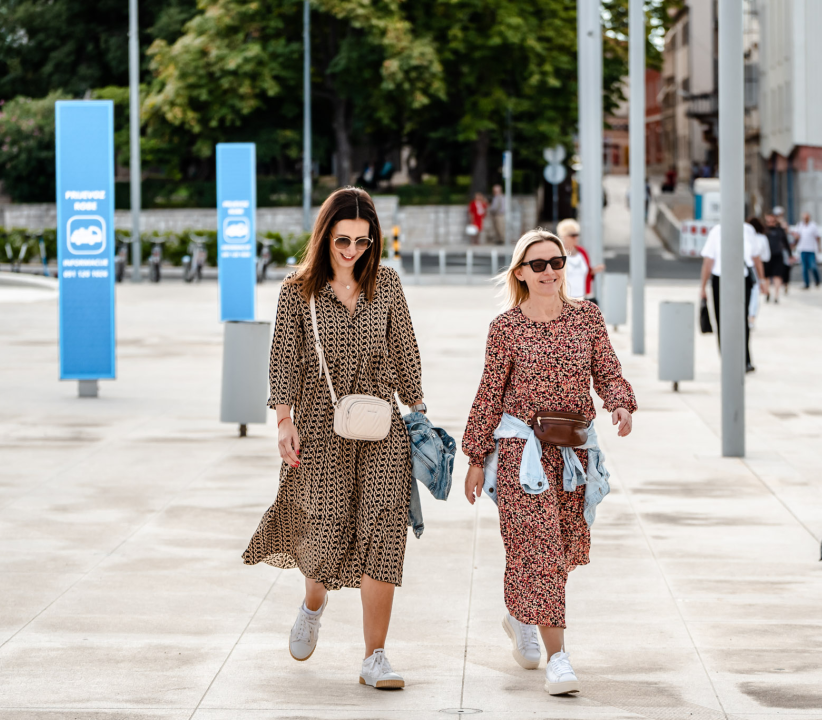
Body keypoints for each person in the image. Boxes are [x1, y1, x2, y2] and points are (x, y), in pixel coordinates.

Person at [242, 187, 426, 690]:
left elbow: (406, 350)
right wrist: (284, 421)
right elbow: (282, 360)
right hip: (320, 428)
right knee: (323, 532)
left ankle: (375, 658)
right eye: (342, 240)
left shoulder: (386, 285)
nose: (351, 251)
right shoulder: (296, 290)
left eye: (362, 243)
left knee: (383, 536)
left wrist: (421, 417)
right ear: (324, 236)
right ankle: (313, 603)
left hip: (382, 426)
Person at [462, 229, 637, 696]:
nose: (548, 271)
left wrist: (619, 403)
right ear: (520, 272)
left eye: (555, 261)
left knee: (557, 554)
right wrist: (477, 457)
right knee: (537, 549)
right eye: (537, 264)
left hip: (575, 453)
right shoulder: (506, 327)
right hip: (524, 455)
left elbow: (608, 370)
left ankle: (521, 615)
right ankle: (560, 658)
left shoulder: (587, 317)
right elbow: (489, 394)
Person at [699, 220, 767, 373]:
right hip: (720, 278)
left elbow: (756, 257)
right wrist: (703, 287)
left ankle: (745, 359)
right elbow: (709, 261)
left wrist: (762, 279)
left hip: (741, 278)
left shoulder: (747, 230)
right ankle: (728, 359)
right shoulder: (717, 230)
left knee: (742, 320)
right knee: (722, 320)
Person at [557, 218, 604, 302]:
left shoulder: (582, 252)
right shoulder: (558, 254)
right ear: (563, 236)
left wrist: (593, 270)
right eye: (572, 235)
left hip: (582, 298)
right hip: (565, 299)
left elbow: (586, 272)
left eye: (577, 234)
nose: (576, 237)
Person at [747, 216, 771, 327]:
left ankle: (747, 316)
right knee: (754, 293)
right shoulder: (761, 238)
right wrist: (762, 279)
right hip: (754, 268)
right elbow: (764, 257)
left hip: (743, 267)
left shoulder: (745, 236)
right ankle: (751, 318)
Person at [763, 212, 788, 304]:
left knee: (777, 275)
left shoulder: (779, 229)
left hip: (777, 255)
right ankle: (767, 292)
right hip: (766, 256)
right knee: (766, 276)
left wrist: (789, 254)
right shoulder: (764, 229)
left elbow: (785, 242)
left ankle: (776, 295)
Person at [792, 212, 821, 289]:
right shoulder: (799, 225)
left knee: (813, 266)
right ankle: (806, 283)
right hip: (802, 249)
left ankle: (817, 280)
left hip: (811, 249)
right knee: (804, 268)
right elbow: (796, 236)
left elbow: (817, 237)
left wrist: (819, 247)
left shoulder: (813, 226)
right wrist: (794, 244)